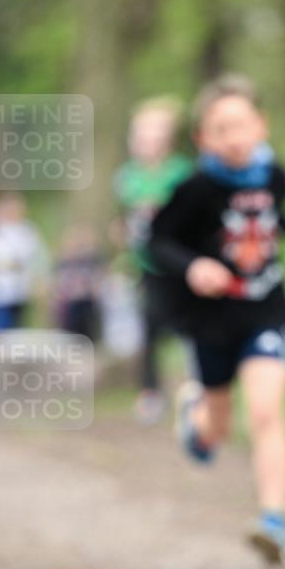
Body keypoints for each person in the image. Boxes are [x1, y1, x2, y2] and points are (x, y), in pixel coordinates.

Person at [149, 74, 285, 564]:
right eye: (220, 128)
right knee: (218, 430)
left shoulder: (274, 176)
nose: (233, 137)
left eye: (242, 125)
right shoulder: (193, 188)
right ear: (202, 139)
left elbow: (278, 216)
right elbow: (158, 241)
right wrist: (194, 266)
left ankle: (275, 522)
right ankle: (197, 418)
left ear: (262, 126)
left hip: (265, 309)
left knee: (267, 411)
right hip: (210, 319)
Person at [113, 98, 192, 424]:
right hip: (147, 265)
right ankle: (149, 391)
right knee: (148, 325)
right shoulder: (126, 176)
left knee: (188, 326)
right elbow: (126, 216)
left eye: (153, 135)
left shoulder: (182, 173)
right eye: (140, 136)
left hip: (181, 264)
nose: (146, 143)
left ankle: (194, 385)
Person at [0, 191, 49, 330]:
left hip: (22, 292)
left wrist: (40, 280)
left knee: (18, 332)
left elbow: (40, 258)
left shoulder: (28, 231)